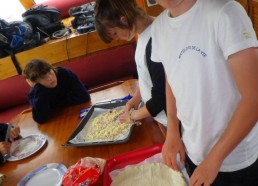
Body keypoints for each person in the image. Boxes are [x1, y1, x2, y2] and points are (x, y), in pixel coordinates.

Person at [151, 0, 258, 185]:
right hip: (194, 151)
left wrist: (214, 159)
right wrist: (173, 132)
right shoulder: (159, 27)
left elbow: (254, 98)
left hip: (234, 160)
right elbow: (172, 78)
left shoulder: (225, 12)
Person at [94, 0, 167, 127]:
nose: (116, 39)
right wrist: (137, 98)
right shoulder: (142, 34)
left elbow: (161, 97)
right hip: (155, 115)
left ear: (124, 20)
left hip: (167, 120)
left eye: (115, 33)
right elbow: (148, 77)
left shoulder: (155, 39)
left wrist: (133, 116)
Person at [23, 59, 91, 124]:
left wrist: (54, 105)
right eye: (43, 77)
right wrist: (39, 90)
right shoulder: (36, 93)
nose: (50, 78)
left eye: (49, 71)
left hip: (76, 113)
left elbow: (84, 96)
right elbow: (41, 119)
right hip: (60, 121)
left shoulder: (64, 73)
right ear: (35, 83)